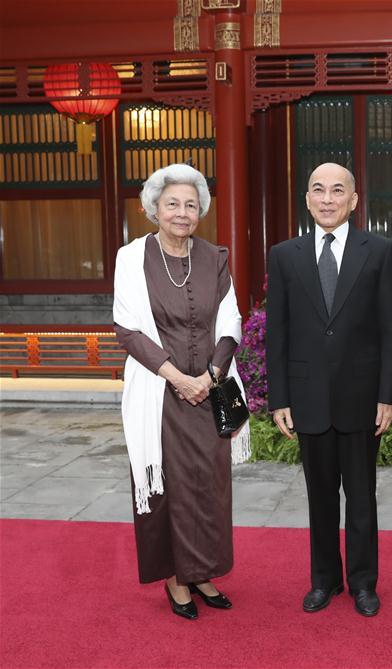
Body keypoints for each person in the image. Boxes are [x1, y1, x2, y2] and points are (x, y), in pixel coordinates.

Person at [113, 163, 250, 621]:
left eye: (191, 205)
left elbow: (231, 321)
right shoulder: (131, 258)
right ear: (154, 207)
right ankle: (176, 578)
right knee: (169, 488)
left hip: (208, 392)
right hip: (160, 392)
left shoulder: (215, 257)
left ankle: (202, 570)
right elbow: (127, 329)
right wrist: (177, 377)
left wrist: (211, 375)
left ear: (201, 211)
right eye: (172, 203)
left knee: (209, 487)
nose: (182, 212)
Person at [266, 162, 392, 617]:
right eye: (318, 190)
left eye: (337, 190)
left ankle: (364, 583)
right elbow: (278, 333)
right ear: (307, 199)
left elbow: (391, 330)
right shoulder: (284, 255)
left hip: (362, 398)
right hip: (308, 398)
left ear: (354, 200)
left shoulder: (380, 251)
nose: (328, 199)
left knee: (361, 496)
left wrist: (388, 395)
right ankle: (323, 580)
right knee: (319, 496)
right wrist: (280, 398)